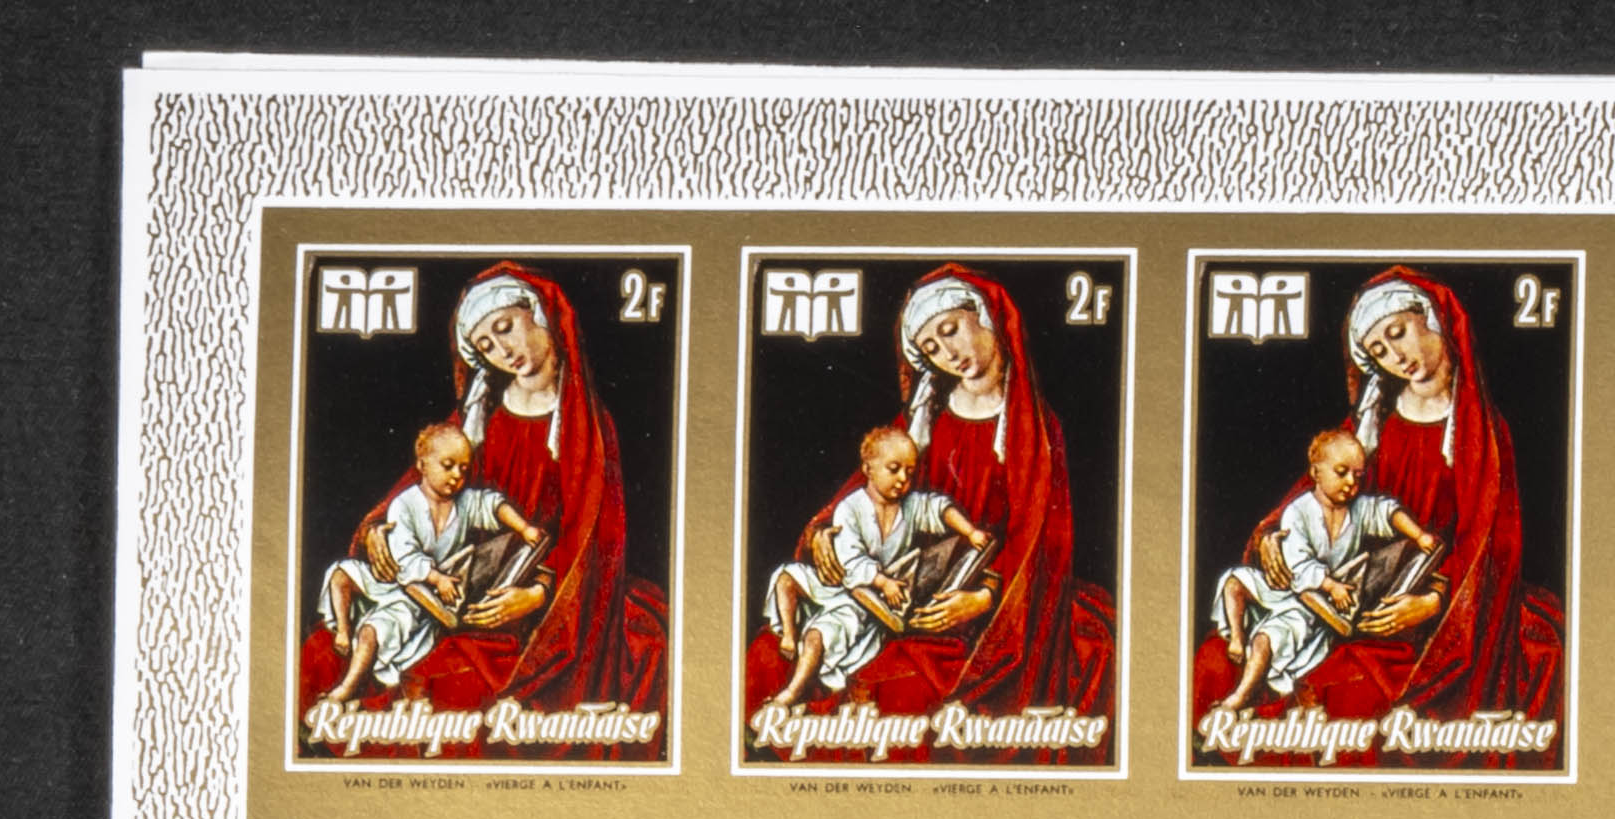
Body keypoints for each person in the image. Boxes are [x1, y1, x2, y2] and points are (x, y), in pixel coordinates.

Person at [299, 266, 667, 744]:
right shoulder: (479, 415)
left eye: (505, 327)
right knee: (324, 652)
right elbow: (419, 485)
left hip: (544, 603)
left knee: (458, 689)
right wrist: (378, 531)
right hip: (459, 584)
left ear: (538, 314)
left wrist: (538, 594)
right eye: (486, 346)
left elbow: (594, 538)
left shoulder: (586, 425)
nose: (503, 351)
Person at [1193, 272, 1562, 745]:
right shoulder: (1373, 421)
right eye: (1379, 351)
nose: (1396, 356)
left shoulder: (1482, 432)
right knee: (1215, 659)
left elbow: (1492, 545)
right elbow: (1313, 490)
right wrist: (1271, 537)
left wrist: (1433, 602)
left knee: (1347, 694)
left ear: (1431, 318)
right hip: (1350, 592)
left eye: (1398, 333)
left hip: (1435, 615)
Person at [744, 268, 1110, 733]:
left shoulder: (1034, 427)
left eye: (950, 330)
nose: (948, 353)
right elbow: (865, 485)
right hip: (902, 586)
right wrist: (823, 532)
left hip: (992, 607)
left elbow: (1039, 537)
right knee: (768, 652)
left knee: (905, 687)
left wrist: (982, 598)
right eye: (931, 348)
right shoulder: (926, 416)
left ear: (983, 315)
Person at [1205, 424, 1433, 725]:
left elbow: (1386, 512)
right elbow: (1299, 565)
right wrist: (1331, 585)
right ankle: (1236, 637)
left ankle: (1240, 696)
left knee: (1265, 639)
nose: (1351, 483)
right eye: (1342, 472)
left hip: (1312, 607)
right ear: (1315, 472)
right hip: (1291, 588)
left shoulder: (1358, 509)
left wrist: (1418, 536)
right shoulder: (1297, 512)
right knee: (1234, 580)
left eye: (1358, 476)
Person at [761, 419, 988, 708]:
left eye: (909, 472)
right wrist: (883, 581)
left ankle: (792, 691)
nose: (903, 479)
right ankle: (789, 635)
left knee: (817, 637)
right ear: (868, 469)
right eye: (894, 469)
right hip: (842, 583)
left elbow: (938, 508)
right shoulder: (849, 508)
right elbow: (851, 560)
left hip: (864, 602)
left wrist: (970, 531)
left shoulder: (910, 505)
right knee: (785, 578)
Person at [315, 419, 541, 708]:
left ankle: (346, 688)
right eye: (448, 466)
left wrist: (524, 528)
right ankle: (343, 632)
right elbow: (406, 558)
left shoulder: (463, 502)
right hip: (395, 580)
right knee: (340, 574)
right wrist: (438, 578)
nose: (456, 476)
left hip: (417, 600)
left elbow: (491, 505)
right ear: (422, 464)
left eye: (463, 469)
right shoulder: (403, 505)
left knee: (371, 633)